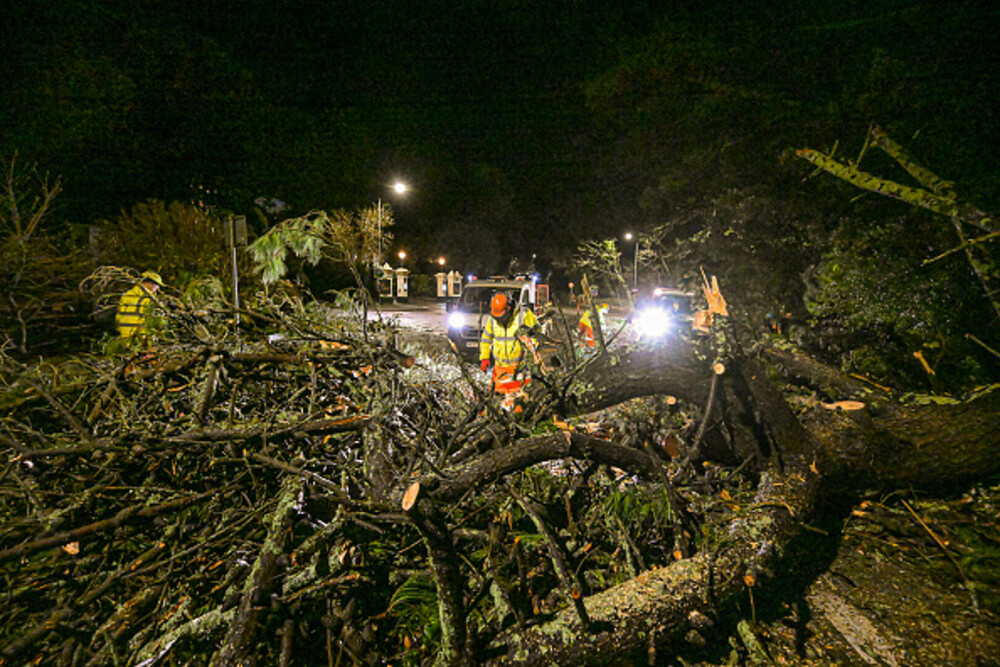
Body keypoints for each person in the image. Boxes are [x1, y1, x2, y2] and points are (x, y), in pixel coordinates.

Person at [479, 291, 539, 407]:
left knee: (519, 405)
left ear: (508, 308)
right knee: (496, 405)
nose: (499, 320)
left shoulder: (523, 316)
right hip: (500, 370)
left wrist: (531, 352)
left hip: (520, 370)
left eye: (501, 317)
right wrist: (484, 357)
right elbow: (486, 339)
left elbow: (536, 336)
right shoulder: (492, 320)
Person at [116, 271, 164, 341]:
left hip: (124, 335)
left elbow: (118, 316)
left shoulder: (127, 295)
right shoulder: (150, 299)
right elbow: (148, 321)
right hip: (139, 338)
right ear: (150, 284)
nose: (158, 288)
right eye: (158, 285)